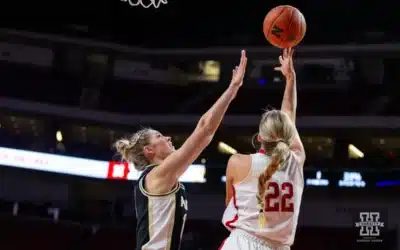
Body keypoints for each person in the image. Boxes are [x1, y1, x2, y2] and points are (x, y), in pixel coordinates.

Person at [114, 50, 248, 250]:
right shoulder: (158, 175)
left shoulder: (165, 177)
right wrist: (232, 87)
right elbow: (205, 129)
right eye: (159, 136)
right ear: (150, 150)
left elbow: (207, 132)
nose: (167, 137)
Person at [219, 48, 305, 250]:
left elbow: (230, 203)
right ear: (287, 135)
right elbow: (289, 114)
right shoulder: (297, 159)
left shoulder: (239, 162)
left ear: (259, 138)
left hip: (244, 243)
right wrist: (290, 78)